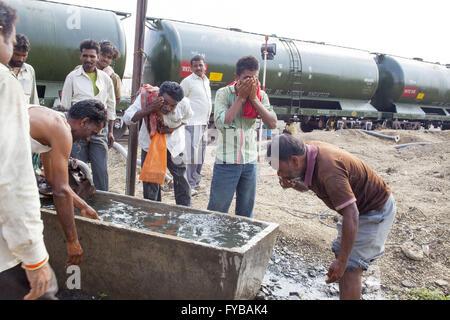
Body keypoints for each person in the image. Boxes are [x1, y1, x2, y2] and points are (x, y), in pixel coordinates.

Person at [266, 134, 396, 300]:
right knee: (343, 259)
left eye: (279, 168)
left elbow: (352, 213)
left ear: (294, 161)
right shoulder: (307, 154)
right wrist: (293, 184)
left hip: (373, 210)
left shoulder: (329, 169)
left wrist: (342, 262)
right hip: (357, 209)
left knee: (349, 266)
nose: (278, 173)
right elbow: (307, 186)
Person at [0, 1, 56, 300]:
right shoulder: (3, 82)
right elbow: (11, 176)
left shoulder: (25, 76)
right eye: (11, 39)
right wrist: (34, 256)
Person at [29, 99, 107, 266]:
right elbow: (59, 190)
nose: (88, 139)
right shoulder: (61, 130)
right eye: (92, 132)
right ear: (84, 121)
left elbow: (52, 179)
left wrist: (83, 206)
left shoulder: (54, 123)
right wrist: (72, 241)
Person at [207, 55, 277, 218]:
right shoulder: (223, 94)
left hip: (249, 161)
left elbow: (272, 123)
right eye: (246, 78)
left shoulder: (260, 96)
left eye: (254, 78)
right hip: (226, 162)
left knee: (246, 213)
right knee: (218, 210)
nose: (251, 83)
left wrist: (253, 98)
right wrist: (241, 98)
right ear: (236, 77)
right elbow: (222, 123)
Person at [123, 81, 193, 206]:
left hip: (174, 147)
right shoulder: (147, 97)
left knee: (180, 179)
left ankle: (185, 211)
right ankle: (153, 216)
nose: (167, 108)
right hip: (151, 147)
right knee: (151, 183)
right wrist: (151, 108)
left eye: (172, 106)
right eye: (165, 103)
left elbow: (187, 119)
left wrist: (171, 129)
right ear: (159, 96)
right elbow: (127, 118)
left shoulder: (184, 103)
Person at [61, 39, 116, 191]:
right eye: (85, 56)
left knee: (101, 169)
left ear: (97, 57)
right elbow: (65, 107)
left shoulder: (105, 79)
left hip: (99, 131)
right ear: (81, 56)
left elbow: (111, 106)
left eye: (92, 56)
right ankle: (79, 201)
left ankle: (103, 201)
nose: (89, 60)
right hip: (79, 130)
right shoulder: (72, 77)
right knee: (78, 166)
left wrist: (110, 131)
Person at [180, 55, 212, 193]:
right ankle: (189, 185)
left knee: (201, 155)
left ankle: (196, 181)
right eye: (195, 66)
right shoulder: (187, 82)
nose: (199, 68)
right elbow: (179, 100)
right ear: (191, 67)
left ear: (205, 66)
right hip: (192, 124)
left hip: (204, 123)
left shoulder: (206, 81)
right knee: (192, 156)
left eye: (201, 65)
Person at [8, 33, 39, 104]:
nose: (20, 59)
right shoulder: (2, 69)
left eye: (24, 55)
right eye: (17, 54)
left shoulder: (30, 70)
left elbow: (33, 100)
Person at [97, 40, 122, 106]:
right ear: (97, 54)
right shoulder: (84, 70)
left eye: (109, 57)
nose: (105, 59)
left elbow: (117, 100)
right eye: (103, 55)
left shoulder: (114, 77)